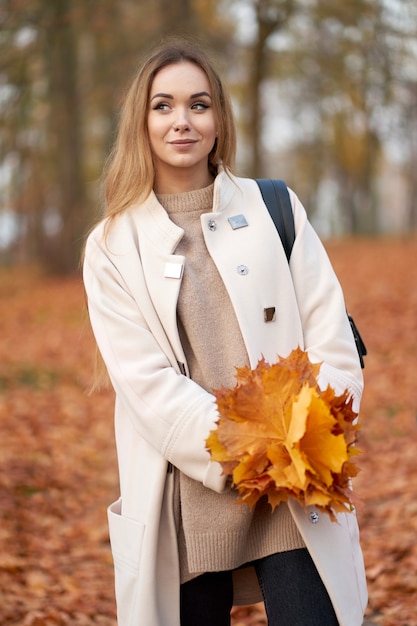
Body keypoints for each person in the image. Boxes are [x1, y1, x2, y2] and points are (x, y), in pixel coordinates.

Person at [83, 38, 367, 626]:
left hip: (291, 492)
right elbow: (147, 384)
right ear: (141, 121)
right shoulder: (111, 246)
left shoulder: (276, 208)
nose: (181, 121)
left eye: (198, 104)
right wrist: (251, 448)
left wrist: (297, 442)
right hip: (186, 504)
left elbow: (331, 332)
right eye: (162, 106)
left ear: (219, 119)